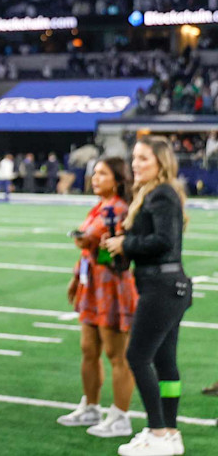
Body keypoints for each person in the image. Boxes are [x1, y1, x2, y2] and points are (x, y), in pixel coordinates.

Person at [102, 136, 191, 456]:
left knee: (137, 357)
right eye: (134, 158)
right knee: (165, 362)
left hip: (162, 288)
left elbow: (164, 241)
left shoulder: (162, 194)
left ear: (161, 163)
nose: (135, 164)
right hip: (167, 286)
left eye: (143, 159)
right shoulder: (152, 194)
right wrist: (119, 249)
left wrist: (126, 244)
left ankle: (157, 431)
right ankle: (169, 432)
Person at [57, 158, 138, 438]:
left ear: (117, 179)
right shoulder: (100, 206)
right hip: (92, 284)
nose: (95, 177)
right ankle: (91, 407)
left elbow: (86, 238)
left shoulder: (119, 208)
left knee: (117, 354)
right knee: (89, 348)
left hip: (113, 285)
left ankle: (120, 416)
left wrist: (82, 240)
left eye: (102, 173)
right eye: (94, 173)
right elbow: (86, 245)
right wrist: (75, 276)